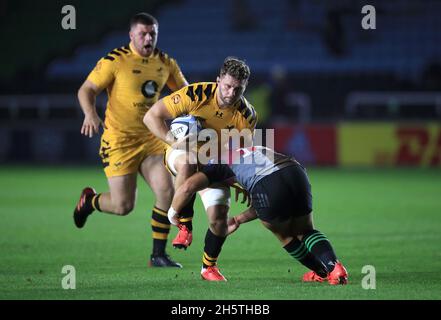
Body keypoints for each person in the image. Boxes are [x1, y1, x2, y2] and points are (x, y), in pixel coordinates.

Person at [73, 13, 188, 268]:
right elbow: (86, 89)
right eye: (143, 34)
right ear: (131, 36)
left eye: (152, 34)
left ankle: (158, 255)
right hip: (119, 140)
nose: (148, 38)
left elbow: (184, 93)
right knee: (123, 206)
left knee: (167, 191)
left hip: (151, 139)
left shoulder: (165, 62)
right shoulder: (115, 60)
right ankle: (89, 201)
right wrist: (90, 113)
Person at [143, 57, 257, 280]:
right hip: (180, 153)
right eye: (227, 86)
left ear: (244, 88)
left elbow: (244, 154)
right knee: (188, 162)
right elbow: (151, 116)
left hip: (213, 163)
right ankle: (184, 224)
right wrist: (171, 140)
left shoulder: (247, 115)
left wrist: (240, 181)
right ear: (217, 81)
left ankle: (209, 267)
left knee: (218, 218)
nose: (231, 93)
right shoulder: (195, 94)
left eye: (238, 89)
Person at [168, 146, 349, 285]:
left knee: (285, 235)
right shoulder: (246, 149)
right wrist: (239, 219)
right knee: (306, 230)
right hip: (295, 171)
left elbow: (187, 187)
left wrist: (174, 214)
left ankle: (321, 272)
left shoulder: (215, 163)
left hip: (267, 182)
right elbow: (268, 201)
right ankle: (334, 266)